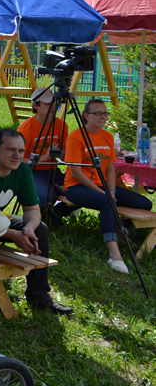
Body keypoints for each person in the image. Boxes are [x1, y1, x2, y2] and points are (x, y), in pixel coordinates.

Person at [0, 129, 73, 326]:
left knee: (41, 229)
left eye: (21, 151)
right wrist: (12, 234)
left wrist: (28, 228)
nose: (17, 156)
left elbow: (31, 208)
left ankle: (38, 295)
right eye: (11, 150)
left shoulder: (21, 170)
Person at [62, 99, 153, 274]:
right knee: (107, 201)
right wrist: (102, 192)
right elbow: (76, 172)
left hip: (103, 187)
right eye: (98, 113)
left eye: (105, 113)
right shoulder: (75, 137)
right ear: (86, 116)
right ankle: (114, 255)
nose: (103, 117)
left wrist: (111, 190)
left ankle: (120, 228)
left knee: (145, 204)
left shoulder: (107, 136)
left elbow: (111, 167)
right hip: (76, 187)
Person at [17, 86, 69, 211]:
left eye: (54, 103)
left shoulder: (61, 125)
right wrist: (45, 157)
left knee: (79, 192)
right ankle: (37, 220)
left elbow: (64, 153)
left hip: (53, 170)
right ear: (35, 105)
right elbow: (18, 160)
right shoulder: (25, 128)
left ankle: (57, 213)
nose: (53, 107)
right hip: (32, 172)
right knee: (45, 197)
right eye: (47, 104)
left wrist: (63, 154)